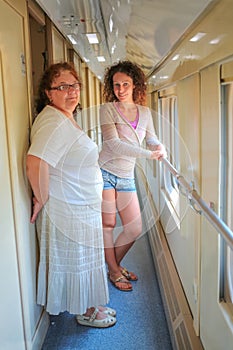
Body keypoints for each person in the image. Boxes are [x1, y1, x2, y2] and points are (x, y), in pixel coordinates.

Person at [26, 62, 116, 328]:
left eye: (74, 86)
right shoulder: (53, 122)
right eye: (62, 87)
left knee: (86, 260)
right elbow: (35, 161)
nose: (71, 92)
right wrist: (41, 197)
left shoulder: (64, 116)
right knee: (79, 261)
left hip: (80, 204)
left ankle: (91, 304)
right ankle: (87, 311)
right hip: (68, 209)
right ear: (48, 92)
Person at [99, 60, 167, 291]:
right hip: (105, 173)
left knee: (134, 228)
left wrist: (160, 147)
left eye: (125, 84)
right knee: (107, 225)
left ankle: (112, 267)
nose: (120, 90)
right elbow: (115, 145)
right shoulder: (107, 109)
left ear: (135, 85)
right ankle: (115, 271)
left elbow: (151, 137)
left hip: (126, 176)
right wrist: (148, 155)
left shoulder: (145, 113)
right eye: (116, 85)